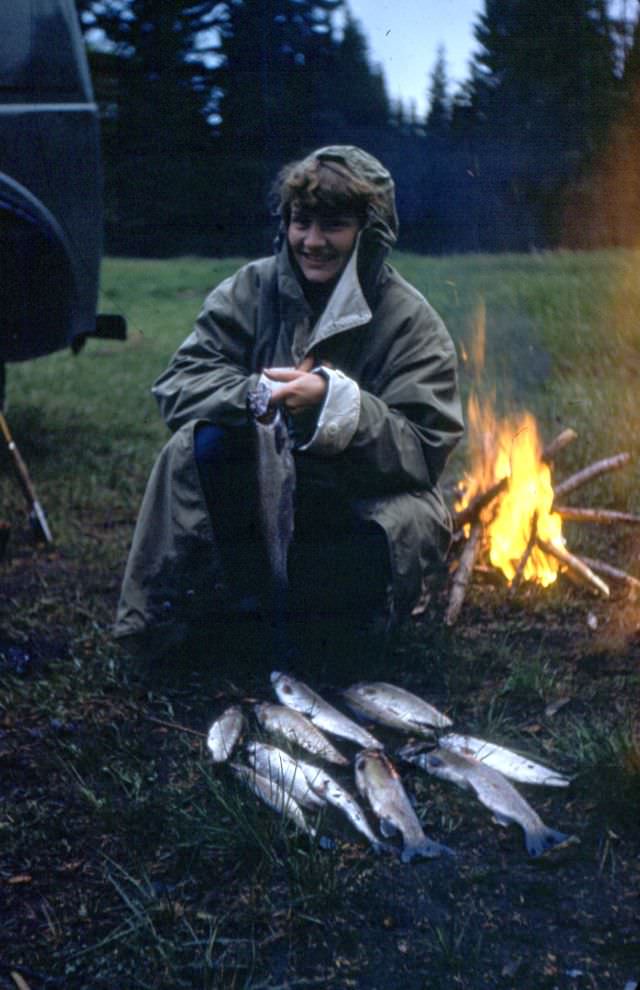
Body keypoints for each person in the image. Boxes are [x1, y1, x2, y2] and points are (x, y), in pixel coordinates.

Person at [114, 145, 464, 673]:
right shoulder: (252, 289)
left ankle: (328, 627)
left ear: (368, 234)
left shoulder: (411, 323)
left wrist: (339, 408)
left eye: (334, 226)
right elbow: (180, 382)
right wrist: (260, 395)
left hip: (356, 500)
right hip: (264, 490)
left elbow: (425, 447)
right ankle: (215, 609)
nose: (314, 242)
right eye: (302, 222)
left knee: (328, 657)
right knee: (203, 445)